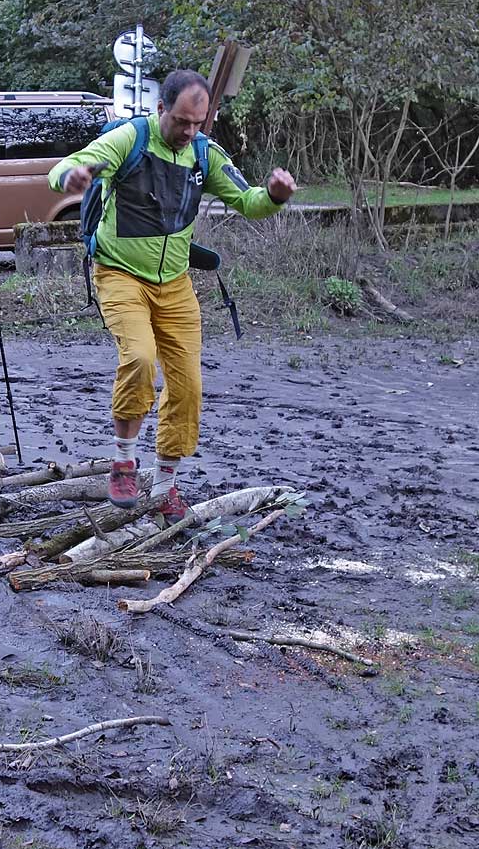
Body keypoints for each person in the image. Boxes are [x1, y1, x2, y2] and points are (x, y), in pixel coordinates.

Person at [50, 70, 297, 520]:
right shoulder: (130, 139)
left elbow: (250, 202)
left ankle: (165, 487)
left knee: (188, 386)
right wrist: (72, 176)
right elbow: (68, 166)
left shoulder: (204, 154)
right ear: (160, 109)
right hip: (120, 273)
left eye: (197, 123)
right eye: (181, 121)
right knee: (140, 358)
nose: (188, 132)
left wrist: (275, 196)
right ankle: (123, 462)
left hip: (176, 284)